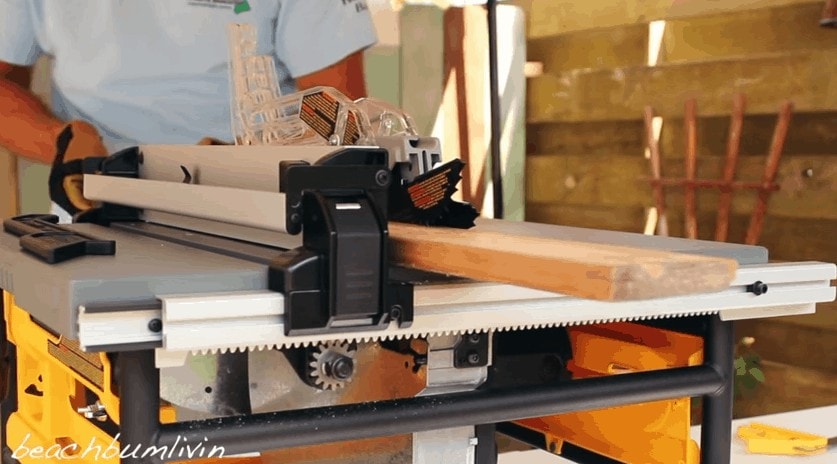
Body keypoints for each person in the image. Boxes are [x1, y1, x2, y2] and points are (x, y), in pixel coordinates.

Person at [0, 0, 377, 220]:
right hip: (93, 203)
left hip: (247, 210)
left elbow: (341, 116)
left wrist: (257, 167)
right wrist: (61, 142)